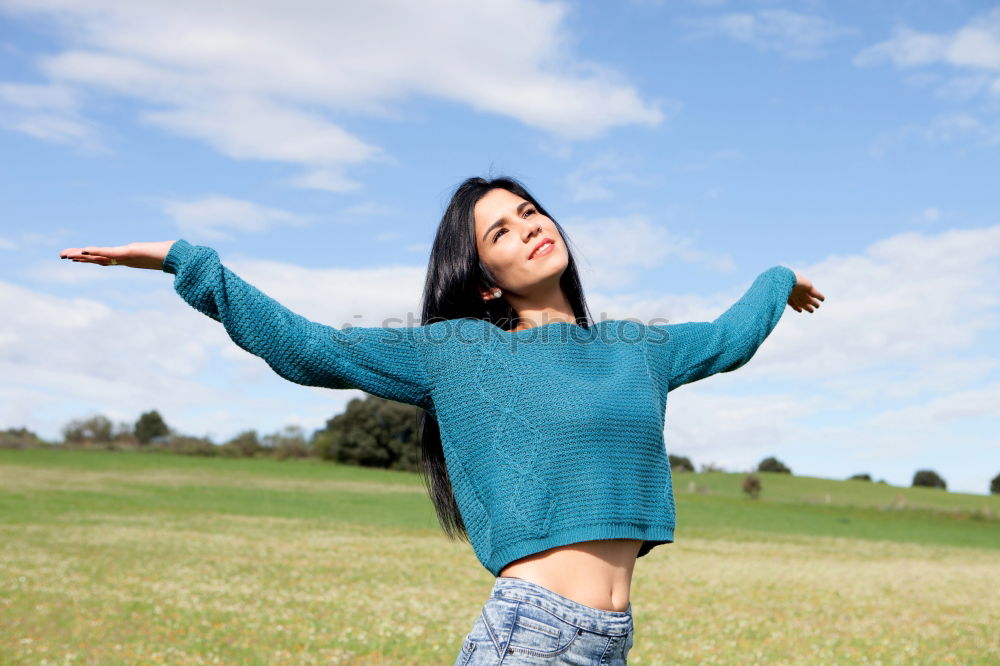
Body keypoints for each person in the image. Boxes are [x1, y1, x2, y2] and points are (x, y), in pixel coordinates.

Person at [60, 176, 824, 664]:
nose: (528, 226)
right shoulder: (458, 351)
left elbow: (730, 337)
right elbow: (307, 347)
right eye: (501, 231)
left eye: (529, 211)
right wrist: (186, 263)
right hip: (532, 638)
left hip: (609, 644)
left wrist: (778, 279)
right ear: (485, 283)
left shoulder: (639, 350)